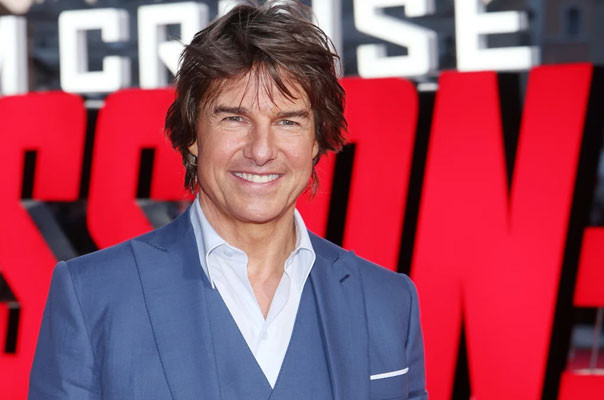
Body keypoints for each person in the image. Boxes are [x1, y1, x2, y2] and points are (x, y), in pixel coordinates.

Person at [29, 1, 427, 399]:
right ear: (191, 133)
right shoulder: (92, 296)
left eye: (288, 121)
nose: (261, 150)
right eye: (234, 118)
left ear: (316, 140)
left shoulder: (388, 302)